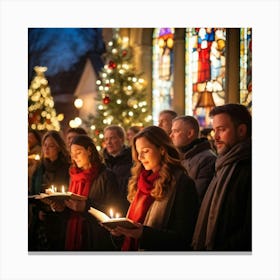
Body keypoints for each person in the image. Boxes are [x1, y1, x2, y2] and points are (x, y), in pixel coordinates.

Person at [108, 125, 199, 251]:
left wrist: (143, 234)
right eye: (138, 153)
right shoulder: (140, 181)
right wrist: (120, 233)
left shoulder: (181, 183)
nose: (140, 158)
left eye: (145, 151)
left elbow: (184, 238)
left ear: (162, 149)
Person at [192, 103, 252, 251]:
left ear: (241, 130)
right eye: (214, 131)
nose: (215, 137)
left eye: (222, 130)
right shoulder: (223, 164)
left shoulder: (248, 168)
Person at [51, 135, 124, 251]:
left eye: (78, 152)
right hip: (73, 235)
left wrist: (86, 207)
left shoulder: (106, 176)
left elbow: (116, 210)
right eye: (72, 153)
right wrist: (61, 209)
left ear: (89, 151)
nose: (74, 157)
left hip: (96, 238)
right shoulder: (73, 177)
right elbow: (70, 214)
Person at [29, 130, 70, 251]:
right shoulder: (39, 168)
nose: (46, 149)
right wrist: (38, 212)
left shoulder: (66, 168)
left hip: (60, 221)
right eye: (45, 145)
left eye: (51, 146)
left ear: (59, 148)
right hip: (40, 221)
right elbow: (33, 193)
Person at [170, 115, 216, 203]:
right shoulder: (181, 157)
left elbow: (195, 197)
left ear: (190, 133)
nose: (171, 135)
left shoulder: (207, 160)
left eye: (175, 131)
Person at [103, 125, 133, 211]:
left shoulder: (130, 162)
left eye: (112, 138)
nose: (108, 142)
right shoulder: (103, 163)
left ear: (122, 139)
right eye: (106, 139)